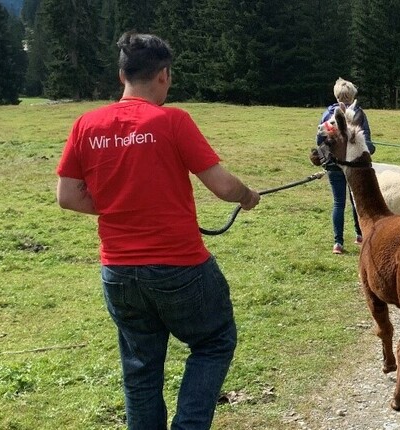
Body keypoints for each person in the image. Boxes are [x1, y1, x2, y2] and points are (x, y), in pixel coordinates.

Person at [55, 32, 260, 430]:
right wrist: (247, 196)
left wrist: (117, 204)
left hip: (118, 272)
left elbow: (67, 196)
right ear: (164, 75)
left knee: (141, 369)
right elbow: (222, 186)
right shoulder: (173, 121)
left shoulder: (86, 124)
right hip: (179, 266)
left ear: (121, 76)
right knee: (214, 341)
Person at [316, 78, 375, 254]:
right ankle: (360, 235)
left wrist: (326, 160)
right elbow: (367, 141)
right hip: (352, 165)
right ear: (352, 95)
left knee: (338, 202)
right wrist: (369, 149)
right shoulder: (358, 114)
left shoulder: (328, 115)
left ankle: (338, 243)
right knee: (357, 200)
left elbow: (320, 141)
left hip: (334, 165)